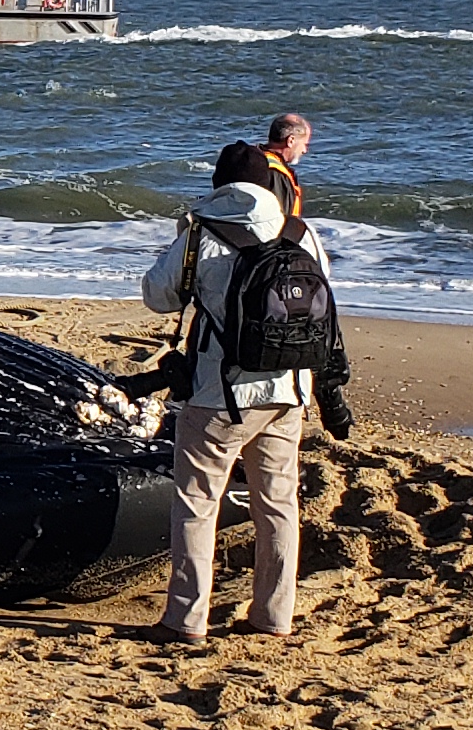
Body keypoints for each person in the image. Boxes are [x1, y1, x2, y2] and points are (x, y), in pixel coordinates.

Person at [139, 142, 333, 644]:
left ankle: (185, 621)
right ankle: (273, 616)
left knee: (198, 503)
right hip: (290, 387)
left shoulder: (202, 232)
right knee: (278, 503)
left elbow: (156, 295)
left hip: (218, 393)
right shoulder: (300, 232)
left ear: (218, 183)